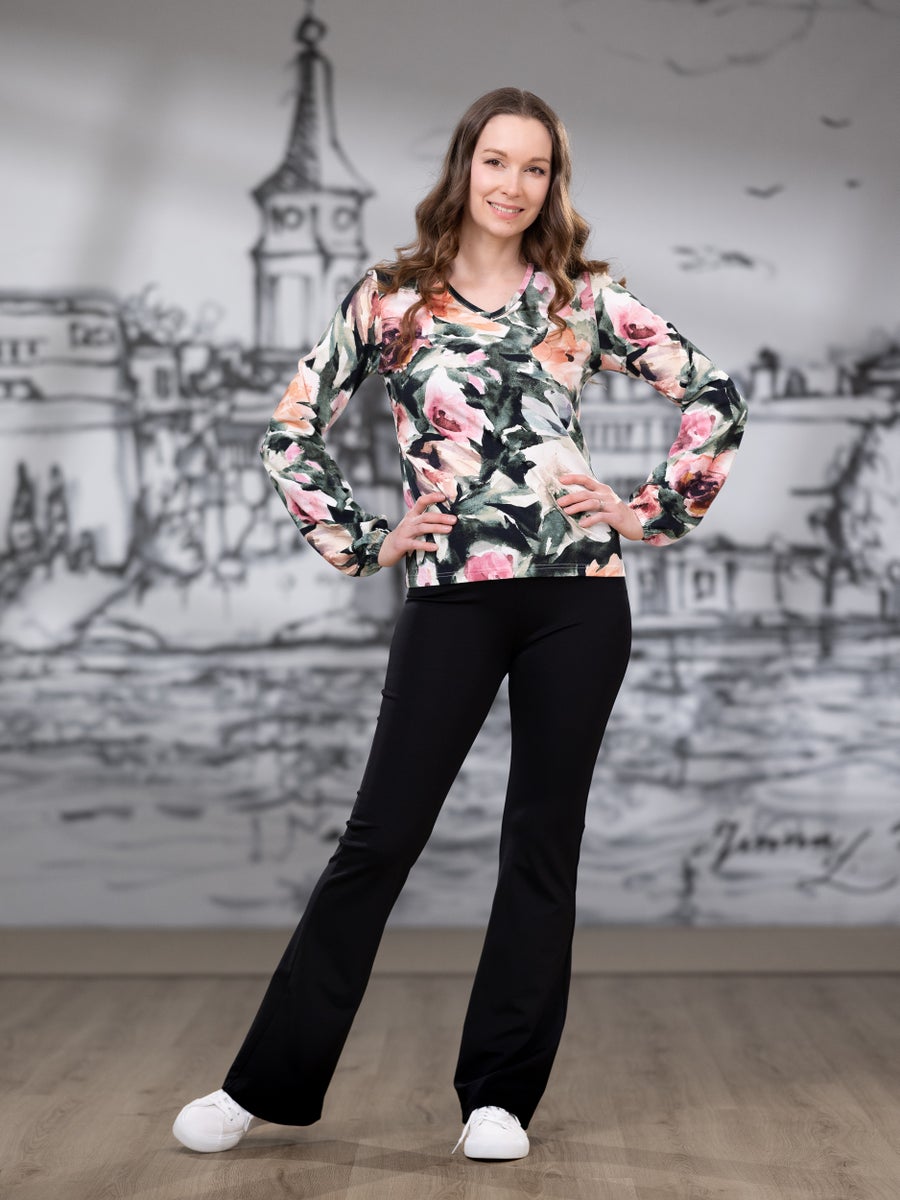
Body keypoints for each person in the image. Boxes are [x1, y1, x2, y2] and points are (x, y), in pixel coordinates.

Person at [172, 86, 747, 1161]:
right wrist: (365, 538)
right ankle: (260, 1086)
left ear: (551, 183)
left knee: (542, 842)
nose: (512, 184)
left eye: (534, 167)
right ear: (464, 166)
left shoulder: (583, 298)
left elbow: (715, 396)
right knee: (381, 838)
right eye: (496, 161)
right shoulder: (391, 300)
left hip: (578, 598)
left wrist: (647, 511)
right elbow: (291, 427)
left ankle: (499, 1098)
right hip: (451, 598)